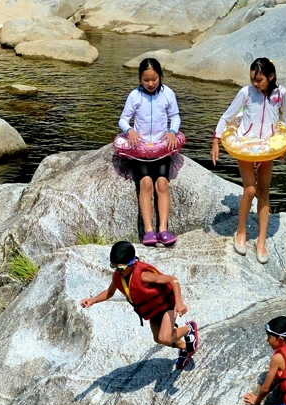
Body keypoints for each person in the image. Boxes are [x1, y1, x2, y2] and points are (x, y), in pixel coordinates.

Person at [210, 57, 286, 265]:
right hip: (245, 145)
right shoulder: (246, 92)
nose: (255, 83)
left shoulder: (280, 93)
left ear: (270, 77)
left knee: (264, 191)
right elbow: (227, 116)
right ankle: (241, 231)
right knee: (250, 189)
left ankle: (261, 241)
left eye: (259, 79)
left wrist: (285, 144)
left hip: (267, 146)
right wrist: (216, 141)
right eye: (253, 79)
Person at [80, 241, 200, 369]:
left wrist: (179, 302)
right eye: (113, 267)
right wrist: (92, 300)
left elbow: (172, 279)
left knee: (164, 337)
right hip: (153, 310)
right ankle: (185, 348)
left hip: (166, 304)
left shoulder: (143, 275)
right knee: (158, 339)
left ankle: (189, 329)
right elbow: (109, 293)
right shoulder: (119, 276)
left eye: (120, 268)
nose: (117, 271)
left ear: (131, 264)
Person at [118, 58, 181, 248]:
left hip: (161, 148)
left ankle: (163, 229)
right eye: (146, 80)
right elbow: (123, 119)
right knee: (145, 183)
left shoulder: (168, 94)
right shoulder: (135, 96)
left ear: (160, 76)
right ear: (140, 79)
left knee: (162, 184)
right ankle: (148, 230)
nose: (151, 83)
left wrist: (172, 132)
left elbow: (175, 116)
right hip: (141, 149)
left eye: (154, 79)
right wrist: (130, 131)